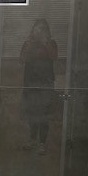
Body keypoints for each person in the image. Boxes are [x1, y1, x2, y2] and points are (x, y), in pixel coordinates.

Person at [19, 19, 58, 155]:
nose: (40, 31)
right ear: (32, 30)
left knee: (44, 115)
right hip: (30, 84)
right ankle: (32, 140)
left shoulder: (51, 43)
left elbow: (54, 56)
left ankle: (42, 143)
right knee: (32, 114)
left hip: (46, 84)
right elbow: (22, 59)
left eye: (42, 29)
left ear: (47, 31)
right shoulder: (28, 43)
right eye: (37, 29)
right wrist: (30, 42)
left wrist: (45, 41)